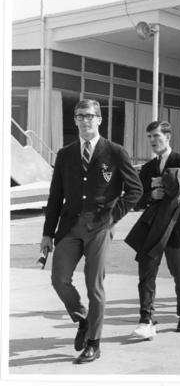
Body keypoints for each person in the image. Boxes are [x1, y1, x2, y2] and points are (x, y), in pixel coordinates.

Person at [41, 99, 143, 364]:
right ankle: (82, 319)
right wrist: (47, 233)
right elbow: (55, 196)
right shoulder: (65, 154)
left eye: (90, 116)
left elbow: (135, 190)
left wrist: (112, 217)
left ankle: (94, 343)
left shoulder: (116, 152)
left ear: (99, 119)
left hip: (100, 226)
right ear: (74, 120)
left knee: (93, 284)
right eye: (79, 116)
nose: (85, 120)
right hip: (71, 226)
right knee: (59, 278)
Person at [125, 121, 180, 339]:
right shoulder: (148, 168)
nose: (153, 141)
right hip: (152, 229)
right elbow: (137, 200)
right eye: (149, 137)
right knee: (146, 274)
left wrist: (172, 188)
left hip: (177, 228)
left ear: (168, 137)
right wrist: (152, 195)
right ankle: (146, 319)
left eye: (157, 136)